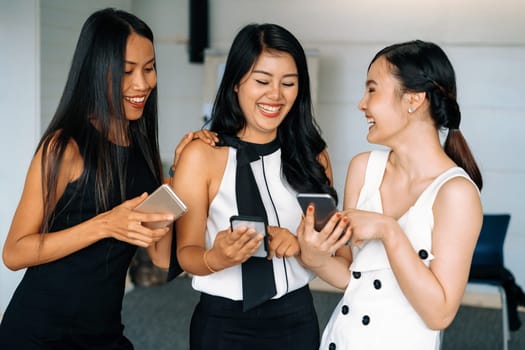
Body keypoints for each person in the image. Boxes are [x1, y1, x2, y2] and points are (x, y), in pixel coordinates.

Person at [0, 8, 186, 349]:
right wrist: (105, 225)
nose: (142, 84)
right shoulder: (64, 147)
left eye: (149, 68)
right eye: (127, 71)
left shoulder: (143, 149)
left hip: (102, 331)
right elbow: (13, 252)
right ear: (98, 70)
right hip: (40, 333)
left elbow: (160, 258)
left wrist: (178, 180)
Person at [298, 40, 484, 349]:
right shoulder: (363, 168)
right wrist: (314, 256)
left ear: (413, 99)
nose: (362, 104)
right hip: (342, 340)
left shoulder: (456, 193)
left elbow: (439, 314)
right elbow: (350, 276)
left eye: (372, 90)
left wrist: (388, 230)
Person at [170, 23, 339, 350]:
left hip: (296, 317)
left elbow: (338, 254)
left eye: (288, 83)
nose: (275, 95)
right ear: (235, 83)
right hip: (222, 323)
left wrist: (303, 247)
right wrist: (217, 258)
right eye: (262, 81)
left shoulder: (312, 157)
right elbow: (186, 252)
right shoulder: (201, 155)